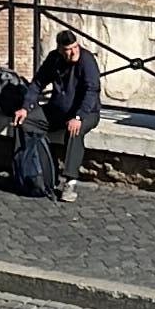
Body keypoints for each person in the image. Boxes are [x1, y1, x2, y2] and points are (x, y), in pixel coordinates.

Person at [34, 30, 101, 199]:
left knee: (74, 131)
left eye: (74, 48)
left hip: (86, 113)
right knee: (28, 122)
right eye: (68, 50)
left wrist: (79, 116)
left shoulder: (87, 61)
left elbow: (92, 91)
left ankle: (70, 181)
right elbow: (38, 82)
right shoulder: (54, 58)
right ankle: (43, 169)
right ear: (60, 50)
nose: (72, 53)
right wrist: (25, 106)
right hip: (58, 110)